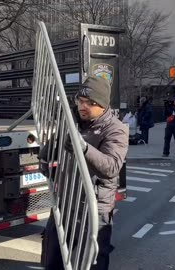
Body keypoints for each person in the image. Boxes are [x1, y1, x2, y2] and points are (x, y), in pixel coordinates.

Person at [40, 76, 129, 270]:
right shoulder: (74, 121)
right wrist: (44, 156)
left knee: (91, 262)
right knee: (53, 257)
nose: (83, 106)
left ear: (103, 105)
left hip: (93, 208)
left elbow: (112, 166)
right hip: (66, 201)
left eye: (90, 103)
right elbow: (55, 142)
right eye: (80, 100)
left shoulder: (116, 129)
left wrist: (84, 148)